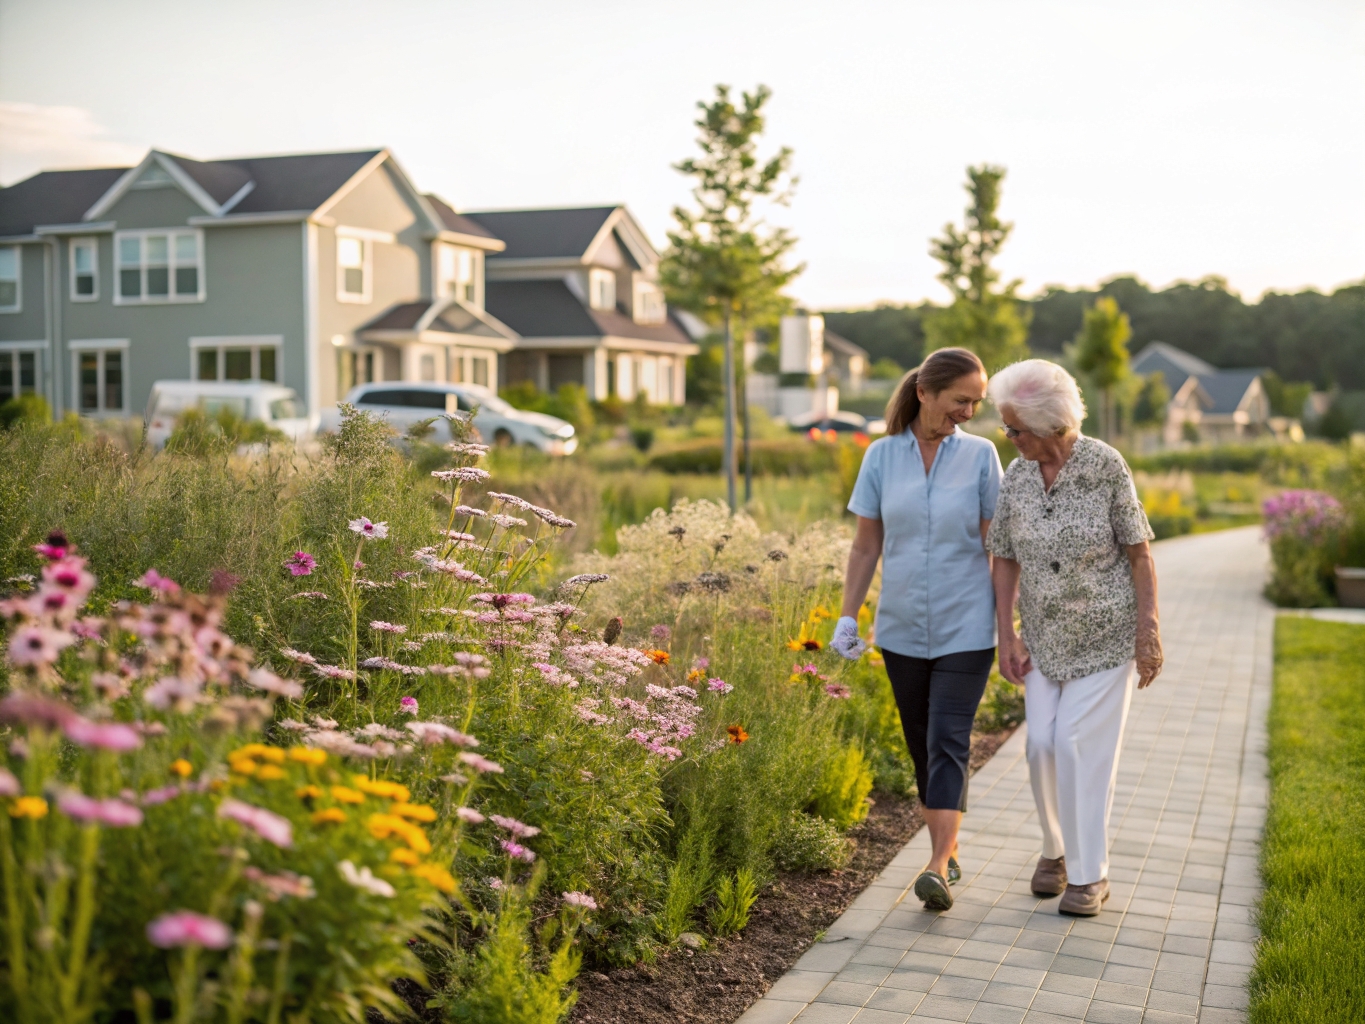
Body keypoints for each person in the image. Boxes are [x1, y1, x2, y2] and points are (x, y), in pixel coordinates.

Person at [985, 359, 1163, 917]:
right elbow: (1005, 557)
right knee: (1040, 746)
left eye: (1015, 429)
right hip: (1042, 638)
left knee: (1078, 746)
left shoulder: (1107, 466)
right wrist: (1005, 634)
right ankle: (1055, 850)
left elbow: (1140, 553)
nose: (1008, 438)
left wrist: (1148, 631)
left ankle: (1091, 875)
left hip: (1106, 636)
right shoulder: (1017, 476)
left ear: (1050, 426)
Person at [831, 347, 1003, 912]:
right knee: (920, 745)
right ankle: (948, 849)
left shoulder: (981, 456)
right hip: (902, 627)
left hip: (967, 624)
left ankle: (934, 867)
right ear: (926, 392)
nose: (971, 411)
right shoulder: (881, 457)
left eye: (977, 401)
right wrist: (846, 615)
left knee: (948, 739)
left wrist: (1009, 623)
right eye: (962, 399)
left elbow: (996, 546)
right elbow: (865, 546)